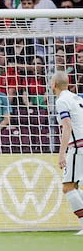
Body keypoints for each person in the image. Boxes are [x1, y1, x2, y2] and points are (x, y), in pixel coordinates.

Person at [51, 71, 83, 235]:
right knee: (75, 185)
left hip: (78, 147)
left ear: (54, 84)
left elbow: (67, 126)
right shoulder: (77, 98)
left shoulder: (62, 100)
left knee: (68, 187)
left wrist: (62, 153)